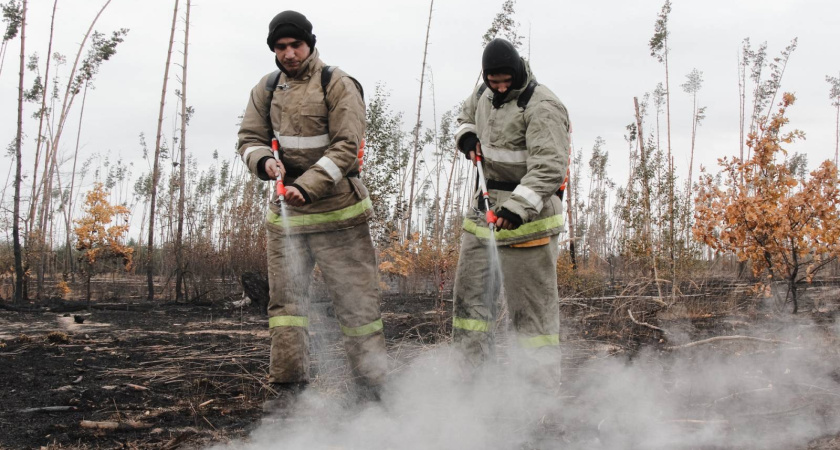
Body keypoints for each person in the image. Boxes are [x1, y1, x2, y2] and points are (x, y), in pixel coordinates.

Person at [237, 10, 387, 404]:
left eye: (295, 45)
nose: (288, 54)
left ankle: (372, 388)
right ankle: (288, 387)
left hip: (339, 216)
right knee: (286, 306)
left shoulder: (336, 83)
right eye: (280, 47)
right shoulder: (267, 88)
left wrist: (308, 185)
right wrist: (263, 163)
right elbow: (249, 138)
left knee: (357, 305)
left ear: (310, 44)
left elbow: (347, 146)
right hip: (287, 217)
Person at [451, 38, 570, 385]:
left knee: (532, 318)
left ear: (517, 72)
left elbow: (549, 167)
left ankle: (538, 395)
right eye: (494, 81)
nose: (500, 87)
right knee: (470, 308)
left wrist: (517, 208)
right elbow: (464, 116)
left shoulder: (542, 105)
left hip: (529, 222)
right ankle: (471, 384)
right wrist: (467, 137)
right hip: (483, 214)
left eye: (506, 81)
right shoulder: (483, 94)